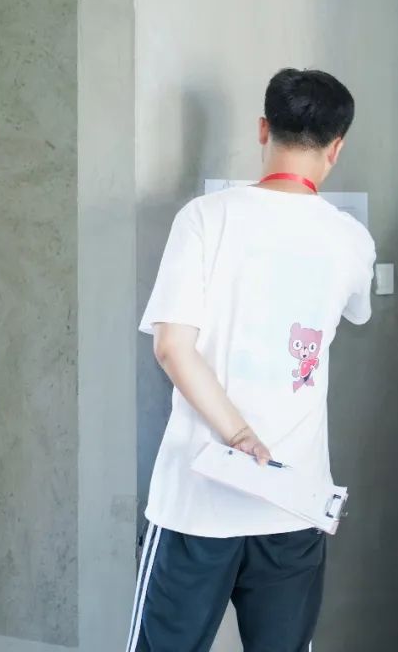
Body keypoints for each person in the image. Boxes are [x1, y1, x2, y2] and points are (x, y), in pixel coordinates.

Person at [128, 69, 375, 652]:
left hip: (197, 500)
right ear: (337, 147)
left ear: (264, 129)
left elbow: (172, 346)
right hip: (294, 499)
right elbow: (356, 311)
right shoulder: (350, 239)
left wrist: (238, 433)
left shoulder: (204, 218)